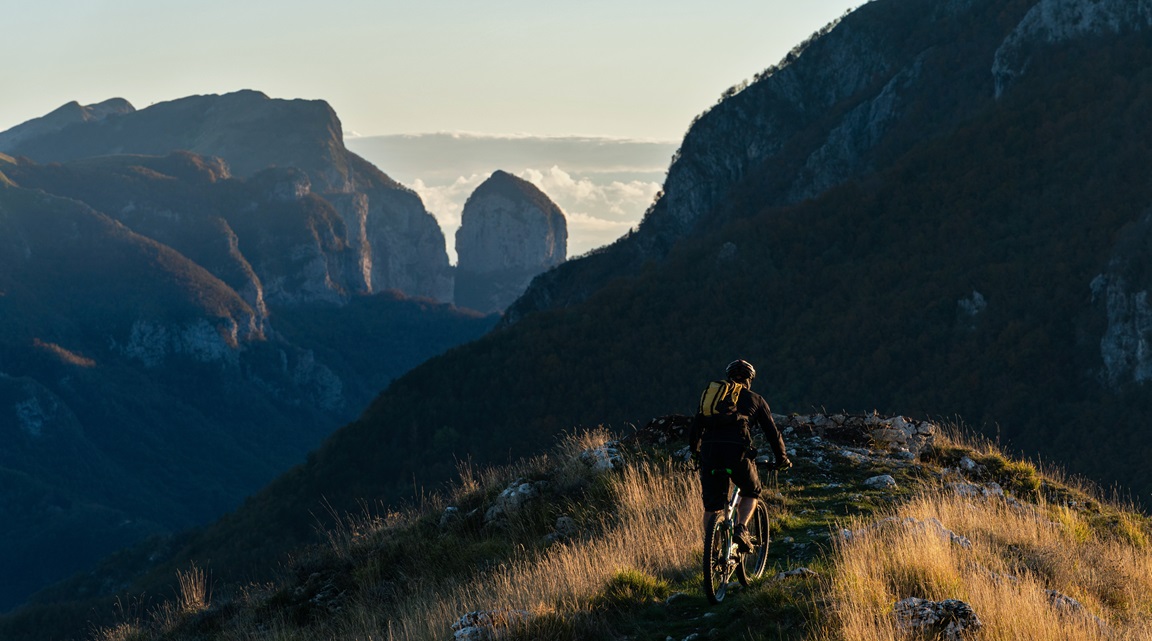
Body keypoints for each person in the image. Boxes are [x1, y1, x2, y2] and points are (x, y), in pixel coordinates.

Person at [689, 359, 791, 553]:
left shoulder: (713, 399)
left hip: (709, 454)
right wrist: (782, 458)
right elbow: (772, 433)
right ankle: (741, 528)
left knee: (712, 507)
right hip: (737, 454)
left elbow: (695, 428)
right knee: (751, 490)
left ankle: (713, 552)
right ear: (749, 379)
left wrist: (695, 453)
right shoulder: (756, 399)